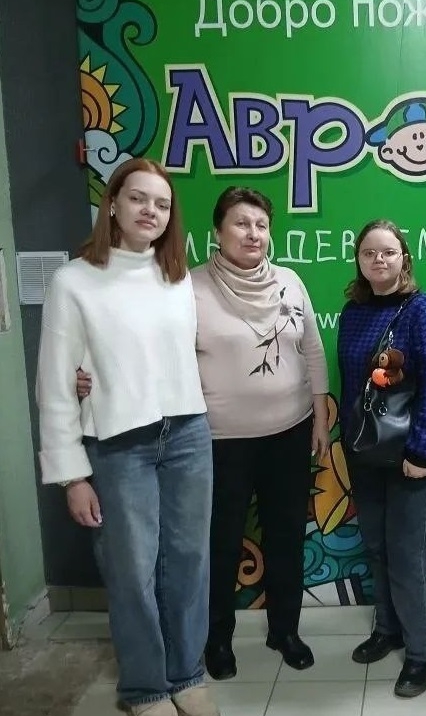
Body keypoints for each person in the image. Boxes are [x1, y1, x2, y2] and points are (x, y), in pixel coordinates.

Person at [77, 186, 331, 681]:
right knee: (217, 544)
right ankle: (216, 638)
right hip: (217, 442)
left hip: (291, 433)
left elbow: (313, 351)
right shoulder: (187, 289)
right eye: (241, 223)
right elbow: (146, 349)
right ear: (217, 232)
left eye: (261, 225)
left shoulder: (290, 281)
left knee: (285, 538)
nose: (253, 234)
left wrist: (320, 417)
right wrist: (90, 373)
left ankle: (285, 630)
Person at [38, 158, 220, 716]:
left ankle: (186, 673)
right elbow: (55, 386)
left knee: (189, 561)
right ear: (112, 204)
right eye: (139, 198)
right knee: (132, 570)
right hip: (119, 445)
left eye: (162, 204)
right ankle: (145, 688)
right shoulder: (74, 281)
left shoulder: (176, 277)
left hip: (187, 434)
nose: (151, 211)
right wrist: (72, 476)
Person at [337, 219, 426, 698]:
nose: (379, 260)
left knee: (409, 557)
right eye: (369, 253)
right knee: (377, 547)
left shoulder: (423, 310)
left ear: (404, 258)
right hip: (366, 452)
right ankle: (388, 629)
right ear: (359, 260)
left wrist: (423, 451)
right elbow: (354, 386)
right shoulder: (353, 311)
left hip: (412, 457)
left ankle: (422, 653)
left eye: (388, 252)